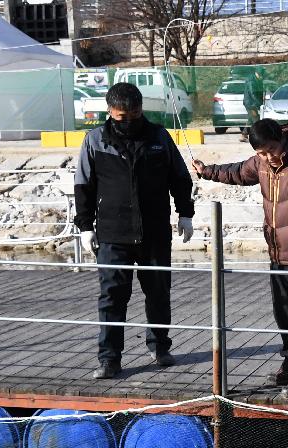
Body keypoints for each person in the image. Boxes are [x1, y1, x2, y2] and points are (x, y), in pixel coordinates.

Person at [192, 119, 288, 399]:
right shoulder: (260, 163)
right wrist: (206, 171)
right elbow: (235, 172)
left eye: (271, 149)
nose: (268, 157)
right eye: (261, 153)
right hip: (277, 251)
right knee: (283, 313)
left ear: (280, 138)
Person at [74, 82, 195, 379]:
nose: (128, 121)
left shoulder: (159, 137)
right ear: (109, 112)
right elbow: (83, 185)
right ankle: (109, 358)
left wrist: (185, 213)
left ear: (142, 109)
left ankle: (160, 347)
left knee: (158, 292)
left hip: (154, 231)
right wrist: (85, 226)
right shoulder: (95, 140)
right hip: (113, 233)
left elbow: (179, 176)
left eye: (134, 114)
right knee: (112, 297)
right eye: (121, 116)